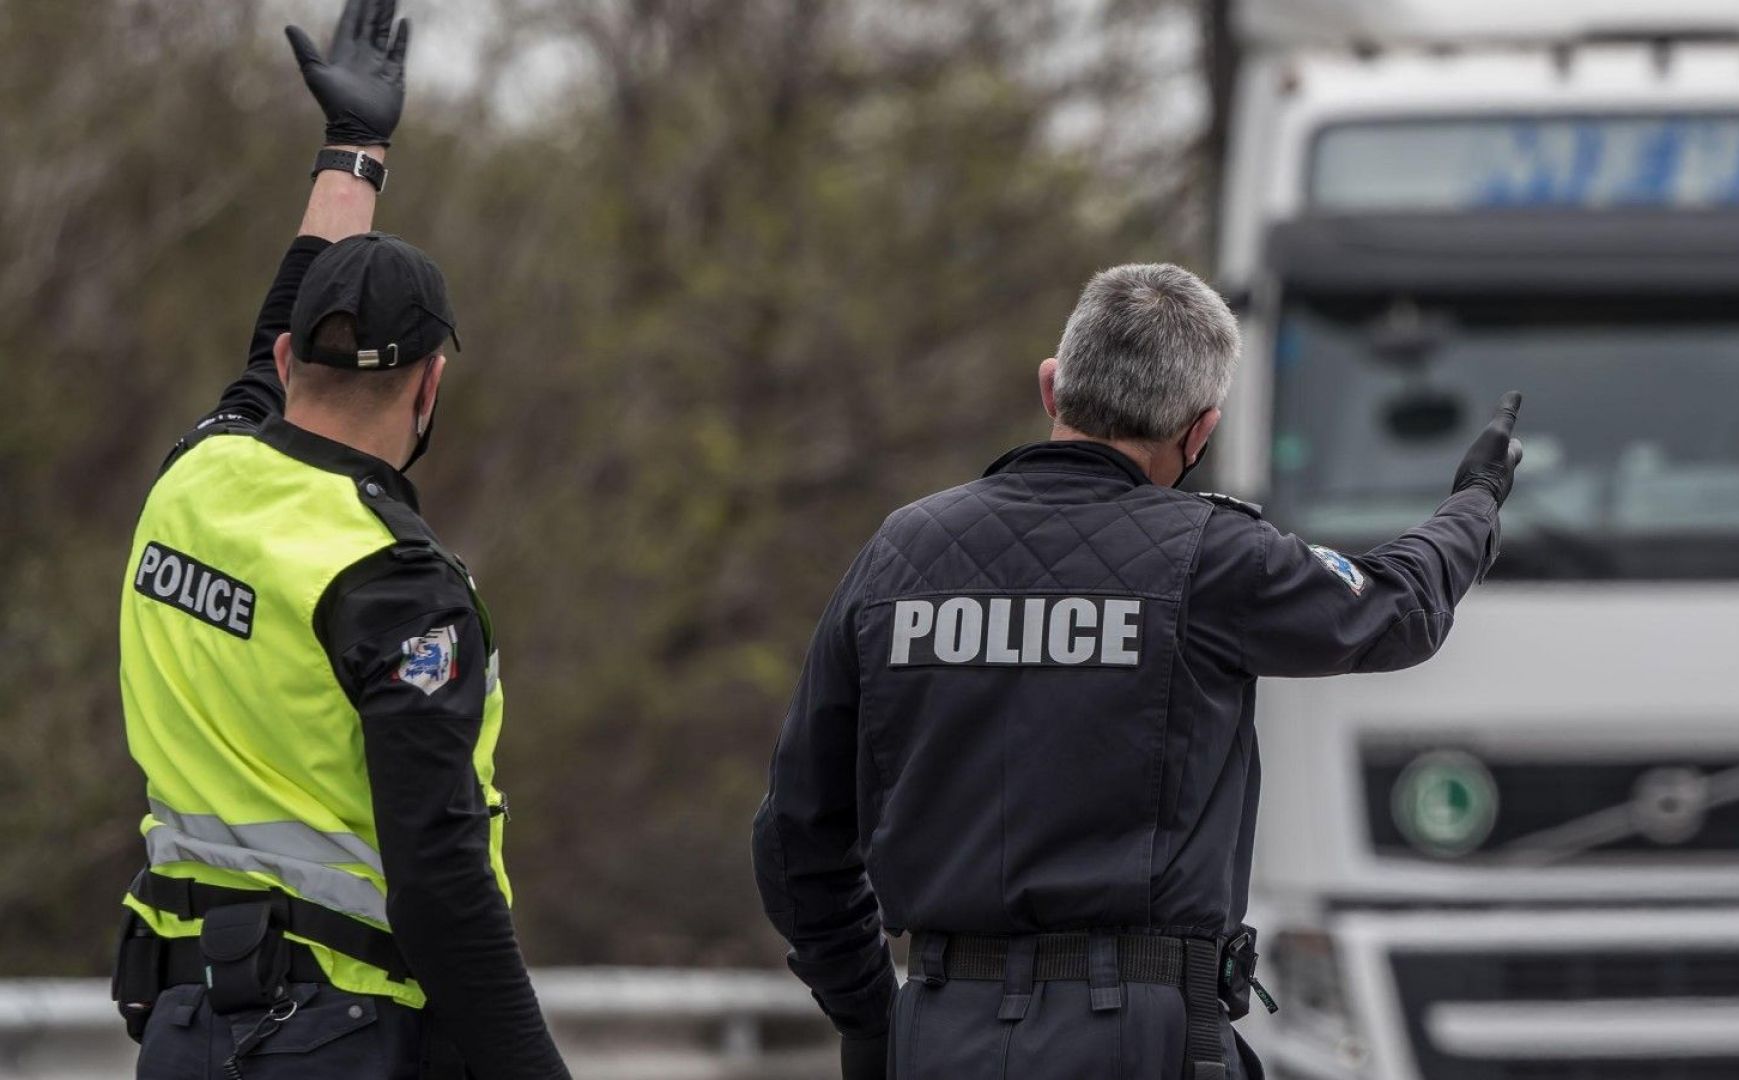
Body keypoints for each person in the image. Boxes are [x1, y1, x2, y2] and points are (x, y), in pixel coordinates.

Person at [751, 263, 1523, 1079]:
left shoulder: (899, 554)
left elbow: (797, 834)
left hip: (941, 1034)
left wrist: (874, 1021)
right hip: (1140, 1041)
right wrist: (1473, 505)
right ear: (1199, 432)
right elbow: (1395, 608)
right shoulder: (1212, 559)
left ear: (1053, 388)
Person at [109, 3, 570, 1076]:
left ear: (280, 356)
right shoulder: (399, 587)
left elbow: (294, 296)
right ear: (433, 383)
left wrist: (351, 148)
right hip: (339, 1036)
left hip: (183, 1026)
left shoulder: (198, 473)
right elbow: (441, 878)